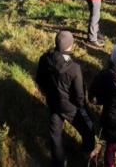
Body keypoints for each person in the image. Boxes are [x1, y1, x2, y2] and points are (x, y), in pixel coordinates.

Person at [36, 31, 96, 167]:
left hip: (53, 102)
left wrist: (47, 93)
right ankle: (87, 152)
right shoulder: (74, 69)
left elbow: (39, 80)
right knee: (89, 128)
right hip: (71, 107)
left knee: (55, 134)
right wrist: (82, 107)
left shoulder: (45, 58)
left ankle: (59, 162)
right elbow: (79, 96)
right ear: (70, 45)